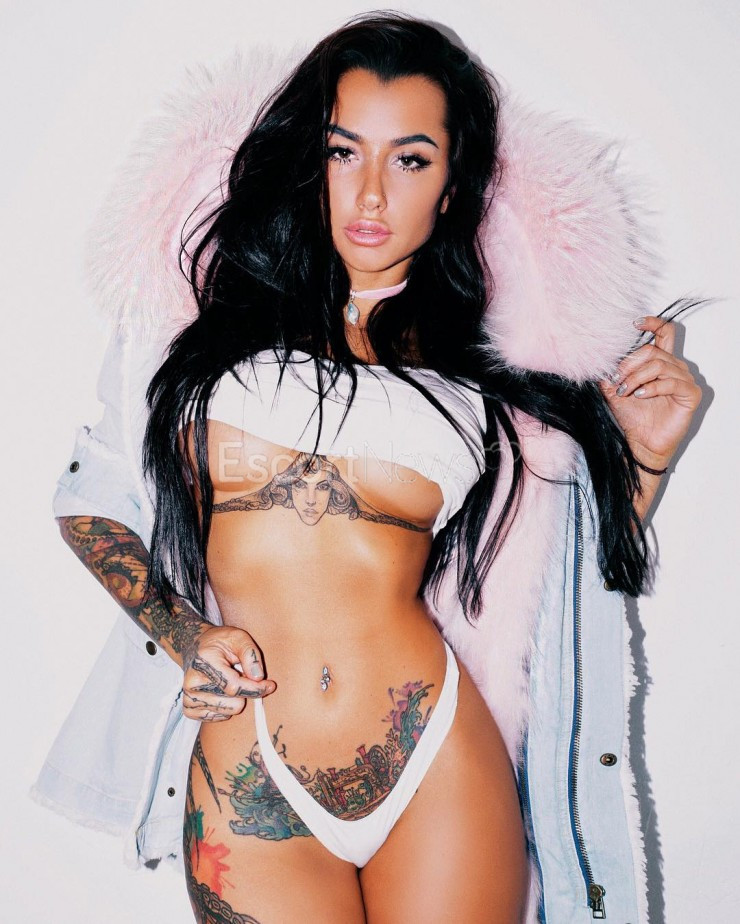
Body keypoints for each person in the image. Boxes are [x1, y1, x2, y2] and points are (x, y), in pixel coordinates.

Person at [31, 11, 707, 923]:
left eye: (411, 160)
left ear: (453, 184)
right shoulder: (194, 325)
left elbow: (552, 583)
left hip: (436, 759)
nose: (373, 194)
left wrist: (645, 459)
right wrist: (185, 633)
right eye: (344, 152)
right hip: (251, 770)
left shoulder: (482, 379)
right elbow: (92, 502)